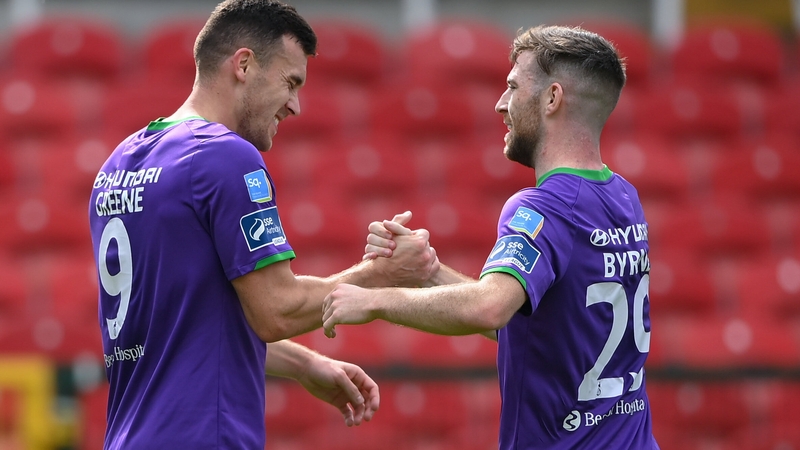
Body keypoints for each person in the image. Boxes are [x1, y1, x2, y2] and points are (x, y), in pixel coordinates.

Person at [88, 1, 438, 449]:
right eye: (290, 82)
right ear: (245, 64)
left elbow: (183, 328)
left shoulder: (117, 164)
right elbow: (277, 309)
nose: (295, 105)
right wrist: (381, 274)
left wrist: (302, 363)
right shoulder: (223, 155)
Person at [323, 25, 659, 449]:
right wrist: (429, 273)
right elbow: (541, 327)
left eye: (513, 87)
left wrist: (375, 299)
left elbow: (489, 307)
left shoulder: (541, 207)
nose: (501, 104)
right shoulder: (625, 198)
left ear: (552, 98)